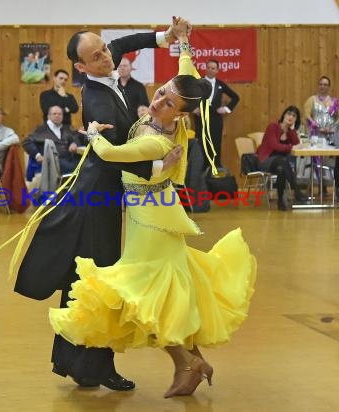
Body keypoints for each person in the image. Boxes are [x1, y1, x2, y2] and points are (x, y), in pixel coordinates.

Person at [49, 29, 256, 398]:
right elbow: (181, 73)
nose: (157, 100)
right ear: (83, 65)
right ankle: (188, 362)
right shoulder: (114, 102)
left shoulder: (157, 138)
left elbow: (111, 154)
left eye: (168, 102)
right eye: (160, 92)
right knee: (160, 292)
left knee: (147, 294)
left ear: (181, 113)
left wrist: (93, 135)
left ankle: (187, 363)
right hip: (150, 212)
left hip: (150, 216)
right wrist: (177, 40)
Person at [12, 17, 189, 391]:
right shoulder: (95, 101)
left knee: (87, 280)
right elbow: (113, 155)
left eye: (104, 50)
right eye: (97, 56)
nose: (108, 58)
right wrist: (158, 165)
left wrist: (166, 37)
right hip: (97, 198)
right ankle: (93, 367)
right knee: (99, 281)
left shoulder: (107, 58)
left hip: (104, 195)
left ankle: (77, 364)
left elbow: (125, 41)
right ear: (81, 67)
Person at [193, 59, 240, 169]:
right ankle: (200, 173)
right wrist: (193, 108)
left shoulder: (220, 84)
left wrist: (227, 109)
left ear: (217, 70)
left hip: (215, 120)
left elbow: (236, 97)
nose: (210, 70)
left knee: (215, 146)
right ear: (205, 68)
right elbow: (186, 98)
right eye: (208, 67)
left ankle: (214, 172)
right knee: (201, 145)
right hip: (201, 119)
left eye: (213, 68)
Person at [257, 106, 305, 210]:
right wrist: (291, 147)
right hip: (265, 160)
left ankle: (280, 202)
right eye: (289, 114)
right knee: (281, 161)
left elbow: (296, 143)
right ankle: (296, 190)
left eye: (294, 116)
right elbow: (275, 146)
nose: (290, 117)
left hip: (280, 164)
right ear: (284, 115)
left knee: (281, 168)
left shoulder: (289, 131)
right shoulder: (273, 127)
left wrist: (292, 129)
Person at [22, 105, 81, 174]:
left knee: (86, 163)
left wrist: (74, 143)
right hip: (53, 162)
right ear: (48, 116)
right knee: (80, 169)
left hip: (68, 158)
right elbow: (26, 142)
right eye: (54, 114)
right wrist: (37, 155)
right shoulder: (41, 130)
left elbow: (75, 137)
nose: (57, 116)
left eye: (60, 114)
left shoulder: (65, 129)